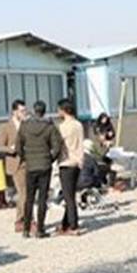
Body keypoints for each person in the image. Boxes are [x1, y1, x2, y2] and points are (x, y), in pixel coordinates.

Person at [17, 101, 62, 239]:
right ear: (44, 111)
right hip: (44, 165)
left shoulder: (24, 126)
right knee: (42, 198)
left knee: (29, 198)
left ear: (34, 110)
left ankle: (26, 229)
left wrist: (25, 158)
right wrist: (50, 159)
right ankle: (40, 229)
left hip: (30, 166)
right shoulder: (49, 126)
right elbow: (57, 146)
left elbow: (18, 146)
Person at [0, 100, 30, 233]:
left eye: (25, 110)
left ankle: (24, 218)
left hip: (28, 162)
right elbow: (1, 146)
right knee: (23, 192)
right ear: (14, 112)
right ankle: (22, 219)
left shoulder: (27, 125)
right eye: (22, 111)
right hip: (15, 163)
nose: (24, 113)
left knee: (27, 192)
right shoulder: (6, 127)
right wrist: (12, 149)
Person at [55, 99, 84, 236]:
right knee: (71, 194)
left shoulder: (63, 127)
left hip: (66, 162)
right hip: (77, 162)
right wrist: (81, 159)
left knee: (68, 197)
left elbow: (58, 144)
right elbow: (81, 143)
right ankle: (65, 224)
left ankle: (73, 225)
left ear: (63, 110)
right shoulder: (78, 125)